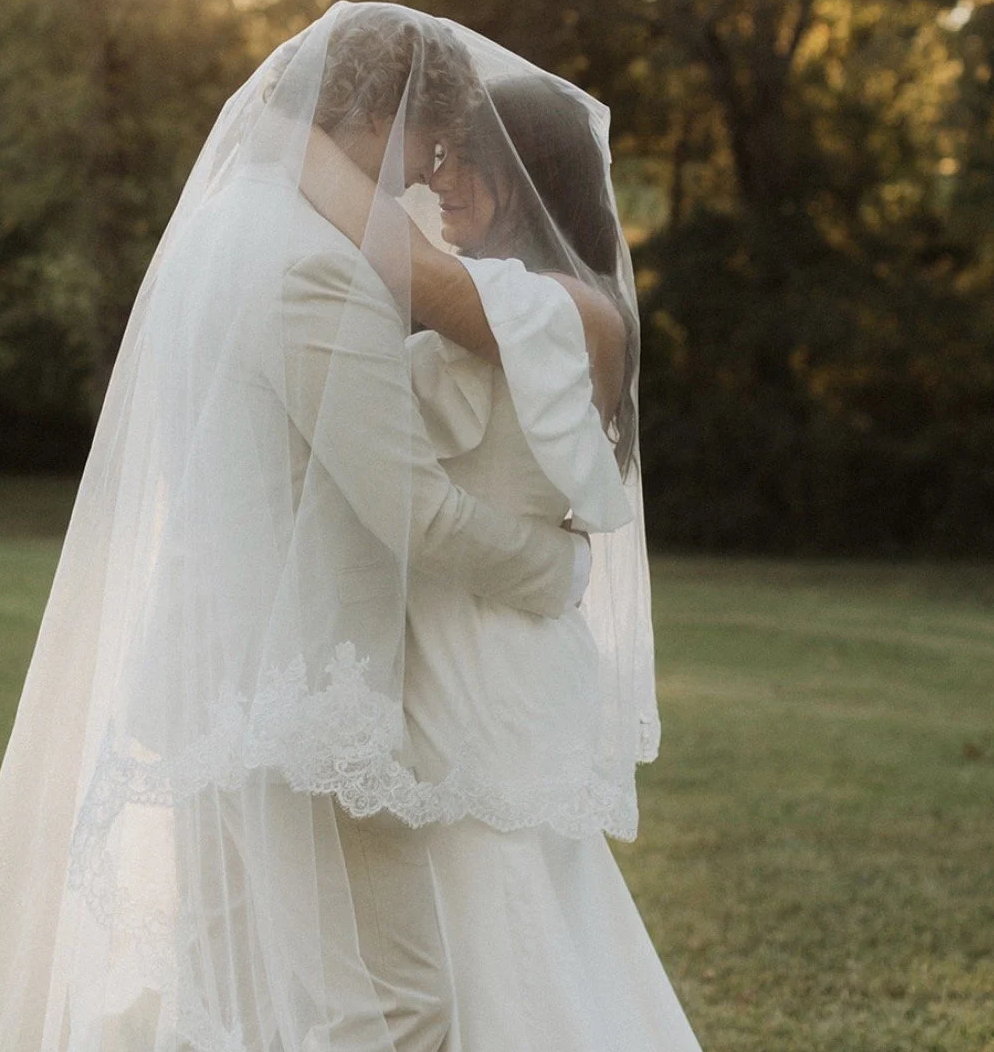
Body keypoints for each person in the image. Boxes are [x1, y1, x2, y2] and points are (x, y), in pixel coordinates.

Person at [0, 3, 592, 1052]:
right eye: (425, 137)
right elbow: (416, 510)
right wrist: (553, 567)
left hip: (202, 676)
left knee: (232, 1007)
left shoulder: (226, 225)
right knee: (396, 1007)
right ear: (376, 114)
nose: (422, 174)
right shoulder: (316, 264)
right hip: (299, 701)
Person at [301, 57, 703, 1050]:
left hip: (496, 664)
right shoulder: (504, 298)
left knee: (507, 918)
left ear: (527, 174)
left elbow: (412, 268)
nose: (436, 177)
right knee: (454, 933)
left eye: (460, 157)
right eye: (432, 153)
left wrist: (297, 138)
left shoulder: (575, 313)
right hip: (444, 645)